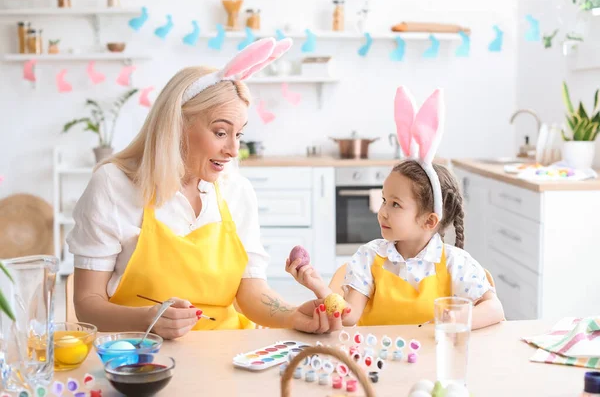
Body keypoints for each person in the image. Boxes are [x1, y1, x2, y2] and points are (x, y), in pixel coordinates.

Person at [67, 38, 349, 339]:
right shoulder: (113, 185)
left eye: (239, 135)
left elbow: (251, 292)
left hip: (227, 350)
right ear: (176, 124)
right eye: (220, 132)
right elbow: (88, 304)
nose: (232, 150)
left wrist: (292, 315)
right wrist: (147, 320)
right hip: (140, 353)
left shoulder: (236, 191)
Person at [286, 87, 504, 329]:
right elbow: (348, 317)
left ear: (429, 221)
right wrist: (317, 285)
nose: (382, 212)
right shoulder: (369, 258)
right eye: (384, 200)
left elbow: (494, 308)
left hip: (432, 362)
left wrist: (451, 320)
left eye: (396, 204)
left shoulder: (455, 263)